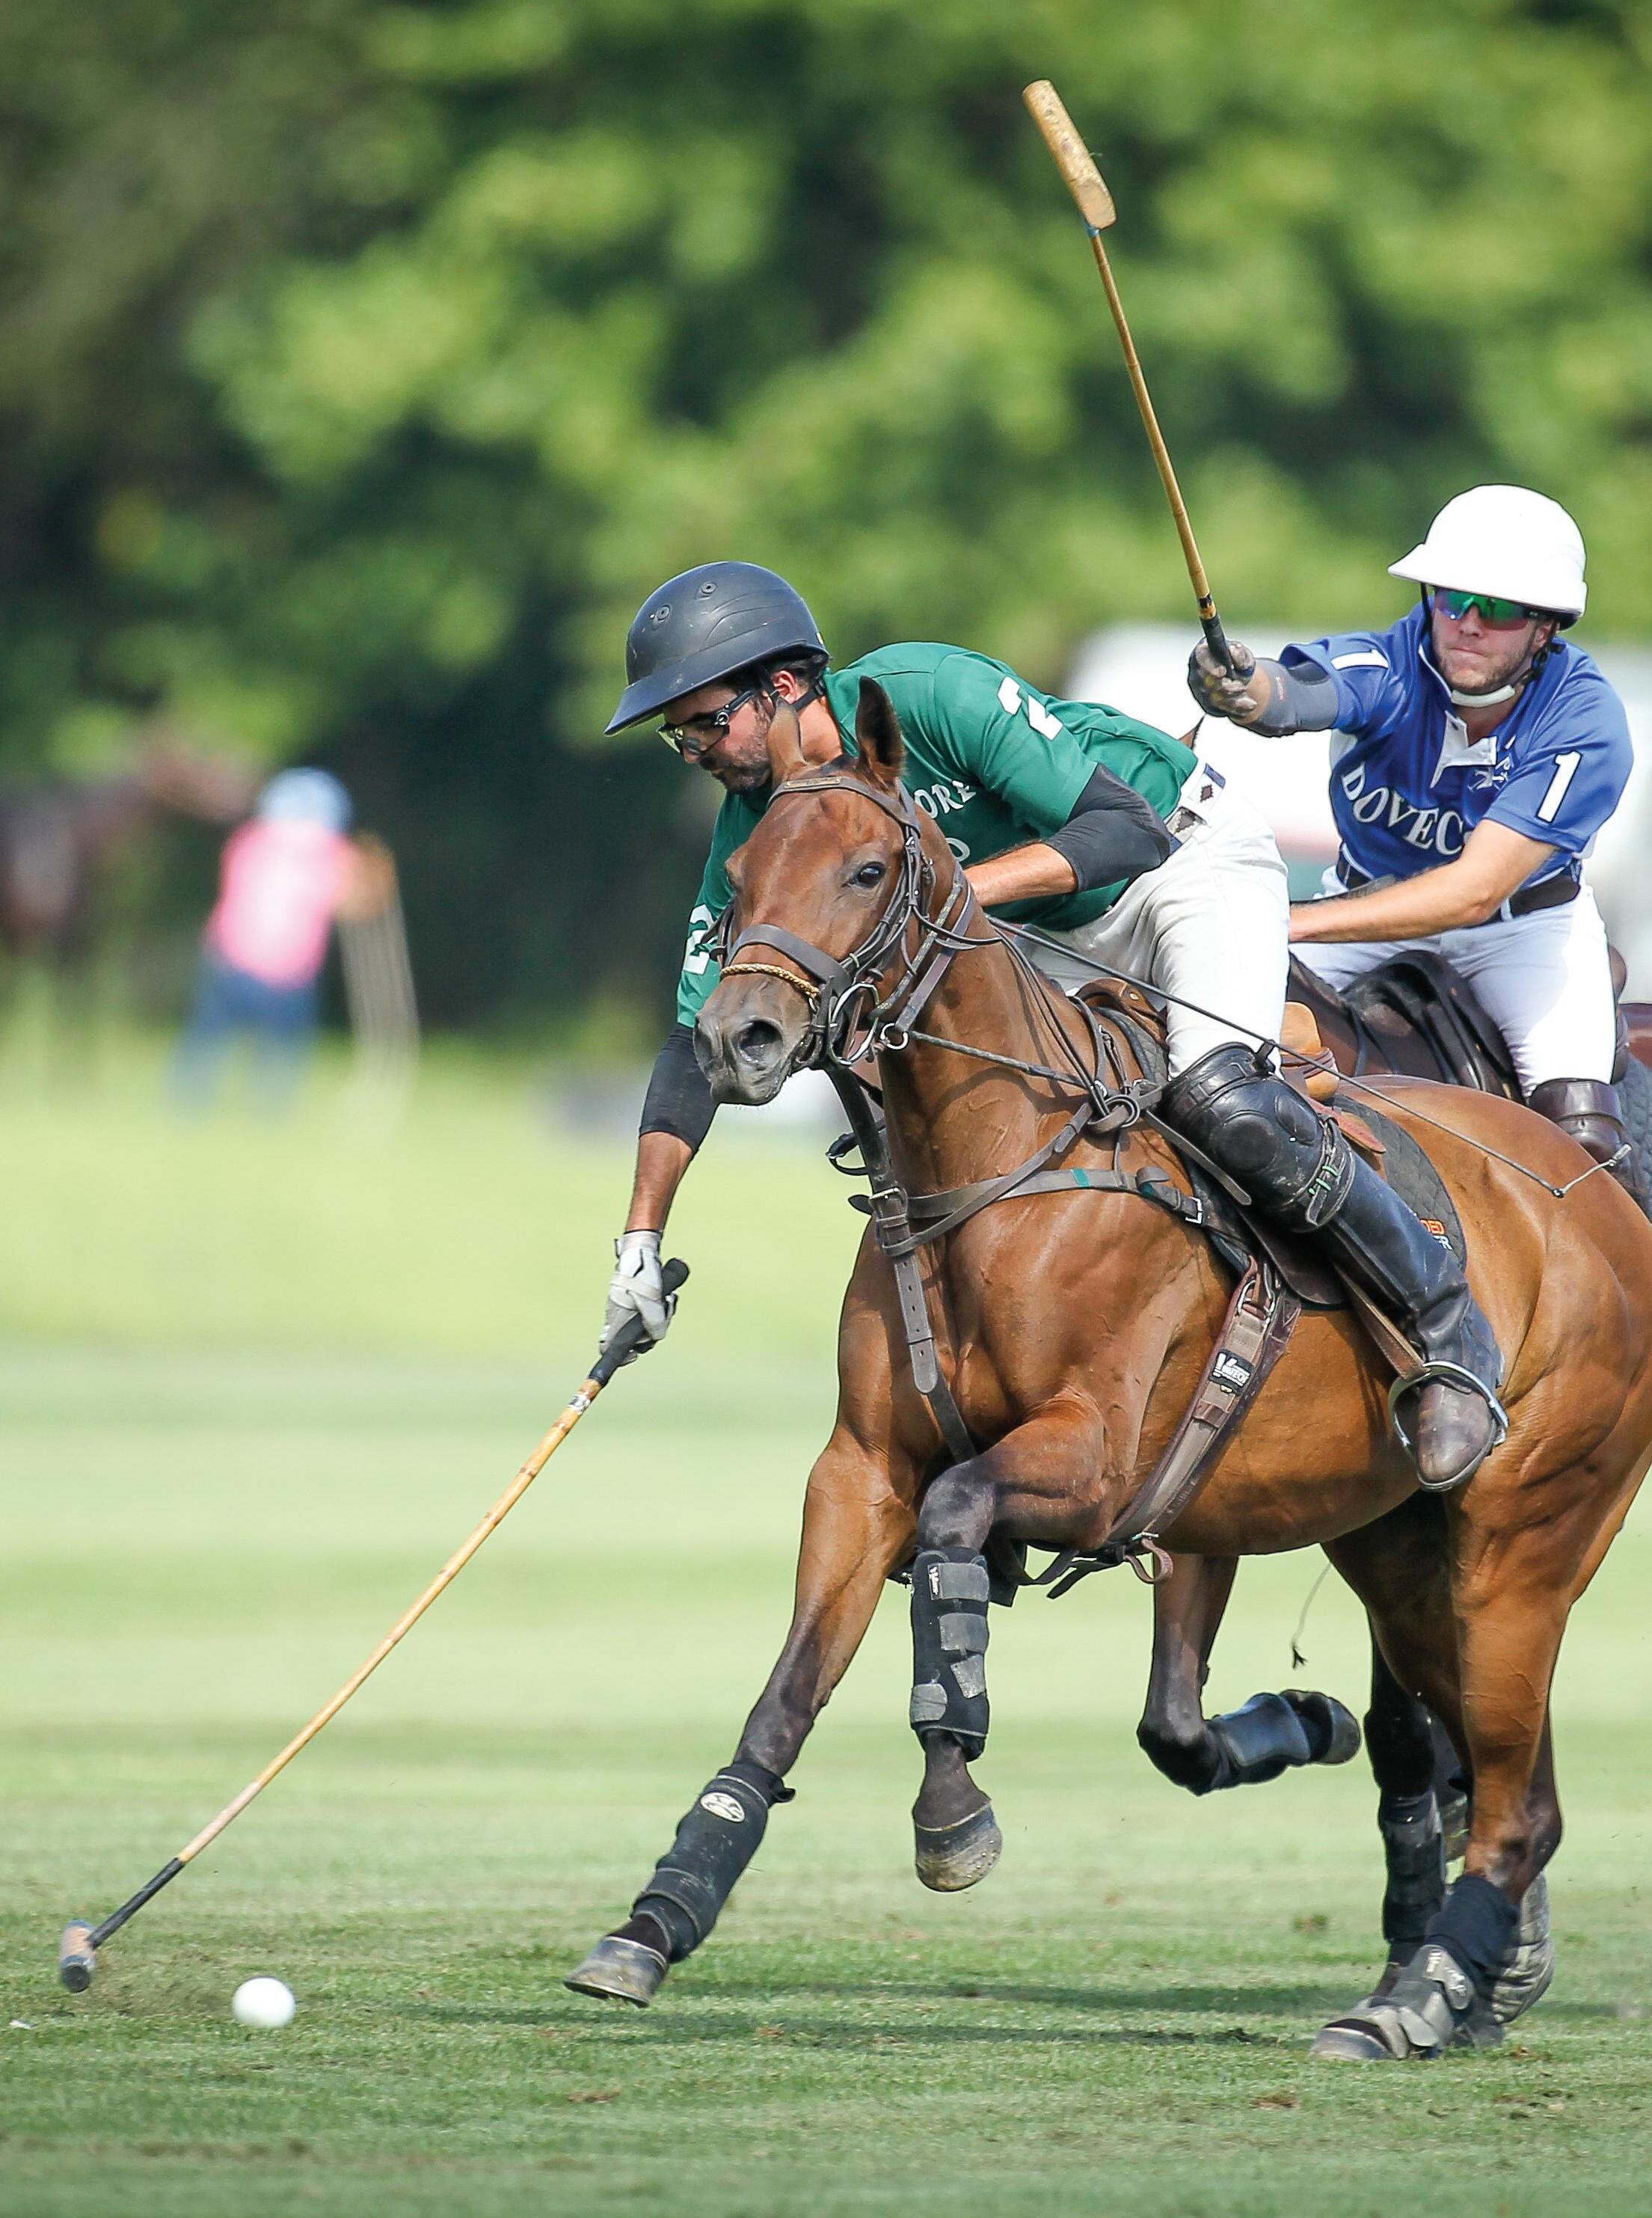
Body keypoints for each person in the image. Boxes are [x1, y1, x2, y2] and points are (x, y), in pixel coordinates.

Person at [599, 563, 1503, 1491]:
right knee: (955, 1140)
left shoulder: (927, 692)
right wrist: (640, 1241)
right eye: (679, 737)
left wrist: (942, 895)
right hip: (1040, 935)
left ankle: (1444, 1323)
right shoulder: (760, 828)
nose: (696, 750)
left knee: (1222, 1100)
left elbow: (1123, 830)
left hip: (1180, 861)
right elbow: (695, 1041)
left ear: (783, 686)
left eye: (705, 722)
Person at [1188, 485, 1636, 1178]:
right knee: (1190, 1037)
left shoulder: (1583, 720)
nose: (1468, 624)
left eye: (1499, 609)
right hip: (1365, 908)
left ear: (1545, 627)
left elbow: (1472, 893)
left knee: (1583, 1143)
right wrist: (1247, 688)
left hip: (1522, 934)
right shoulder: (1391, 663)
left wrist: (1285, 923)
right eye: (1452, 598)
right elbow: (1300, 690)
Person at [171, 768, 363, 1109]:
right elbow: (350, 901)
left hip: (236, 956)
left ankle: (190, 1100)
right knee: (278, 1044)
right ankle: (265, 1106)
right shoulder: (332, 855)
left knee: (211, 1034)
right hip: (286, 966)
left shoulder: (249, 841)